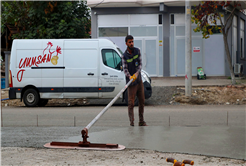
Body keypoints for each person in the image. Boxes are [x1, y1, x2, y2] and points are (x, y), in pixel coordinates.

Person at [122, 35, 147, 126]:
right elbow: (125, 69)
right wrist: (129, 77)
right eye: (130, 42)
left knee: (142, 101)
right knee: (131, 103)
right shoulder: (124, 56)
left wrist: (137, 73)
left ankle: (141, 121)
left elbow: (140, 64)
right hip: (131, 83)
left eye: (132, 41)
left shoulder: (137, 51)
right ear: (126, 43)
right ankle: (131, 122)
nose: (132, 43)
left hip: (139, 81)